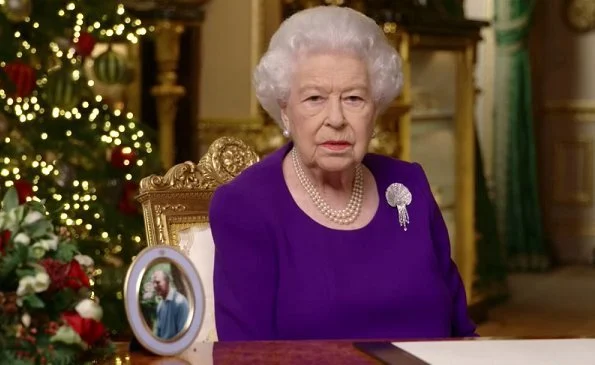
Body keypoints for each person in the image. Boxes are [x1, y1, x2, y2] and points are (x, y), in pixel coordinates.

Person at [209, 6, 477, 341]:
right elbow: (245, 356)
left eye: (353, 98)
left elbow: (461, 334)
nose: (335, 118)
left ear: (375, 110)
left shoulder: (407, 185)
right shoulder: (246, 206)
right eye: (314, 98)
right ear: (285, 111)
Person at [152, 270, 190, 340]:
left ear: (167, 282)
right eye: (153, 283)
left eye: (158, 282)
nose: (155, 286)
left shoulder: (180, 303)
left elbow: (184, 336)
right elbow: (158, 332)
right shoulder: (160, 305)